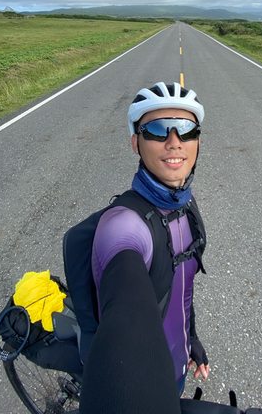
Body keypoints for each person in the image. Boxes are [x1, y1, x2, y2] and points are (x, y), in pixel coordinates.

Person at [79, 81, 210, 413]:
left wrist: (191, 338)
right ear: (135, 143)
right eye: (157, 130)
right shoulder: (123, 224)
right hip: (147, 383)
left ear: (198, 140)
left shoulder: (186, 206)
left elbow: (182, 287)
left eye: (186, 130)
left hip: (178, 365)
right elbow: (128, 309)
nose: (174, 142)